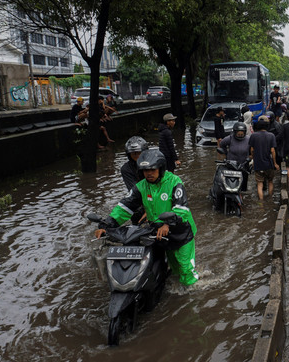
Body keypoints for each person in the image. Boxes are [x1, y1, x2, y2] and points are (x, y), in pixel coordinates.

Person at [94, 149, 199, 286]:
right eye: (145, 170)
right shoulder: (141, 187)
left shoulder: (175, 182)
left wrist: (168, 224)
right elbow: (124, 207)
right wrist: (107, 225)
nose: (149, 173)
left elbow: (182, 209)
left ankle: (192, 295)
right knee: (174, 269)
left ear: (160, 168)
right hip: (160, 234)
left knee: (185, 270)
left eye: (152, 170)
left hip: (181, 232)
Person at [248, 116, 279, 200]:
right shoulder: (271, 136)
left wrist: (254, 160)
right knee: (270, 181)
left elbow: (252, 150)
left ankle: (261, 202)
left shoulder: (253, 136)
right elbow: (273, 151)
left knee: (259, 184)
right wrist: (275, 163)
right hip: (269, 164)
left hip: (258, 164)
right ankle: (270, 198)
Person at [120, 136, 149, 224]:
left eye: (139, 153)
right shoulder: (126, 169)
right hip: (140, 197)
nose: (137, 155)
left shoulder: (153, 164)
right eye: (134, 153)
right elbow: (134, 189)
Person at [218, 122, 251, 191]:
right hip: (232, 164)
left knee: (244, 185)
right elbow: (221, 144)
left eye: (242, 134)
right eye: (238, 134)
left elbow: (253, 149)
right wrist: (225, 153)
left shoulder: (248, 139)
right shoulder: (230, 138)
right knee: (231, 184)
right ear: (235, 133)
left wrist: (250, 157)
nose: (240, 135)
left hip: (244, 164)